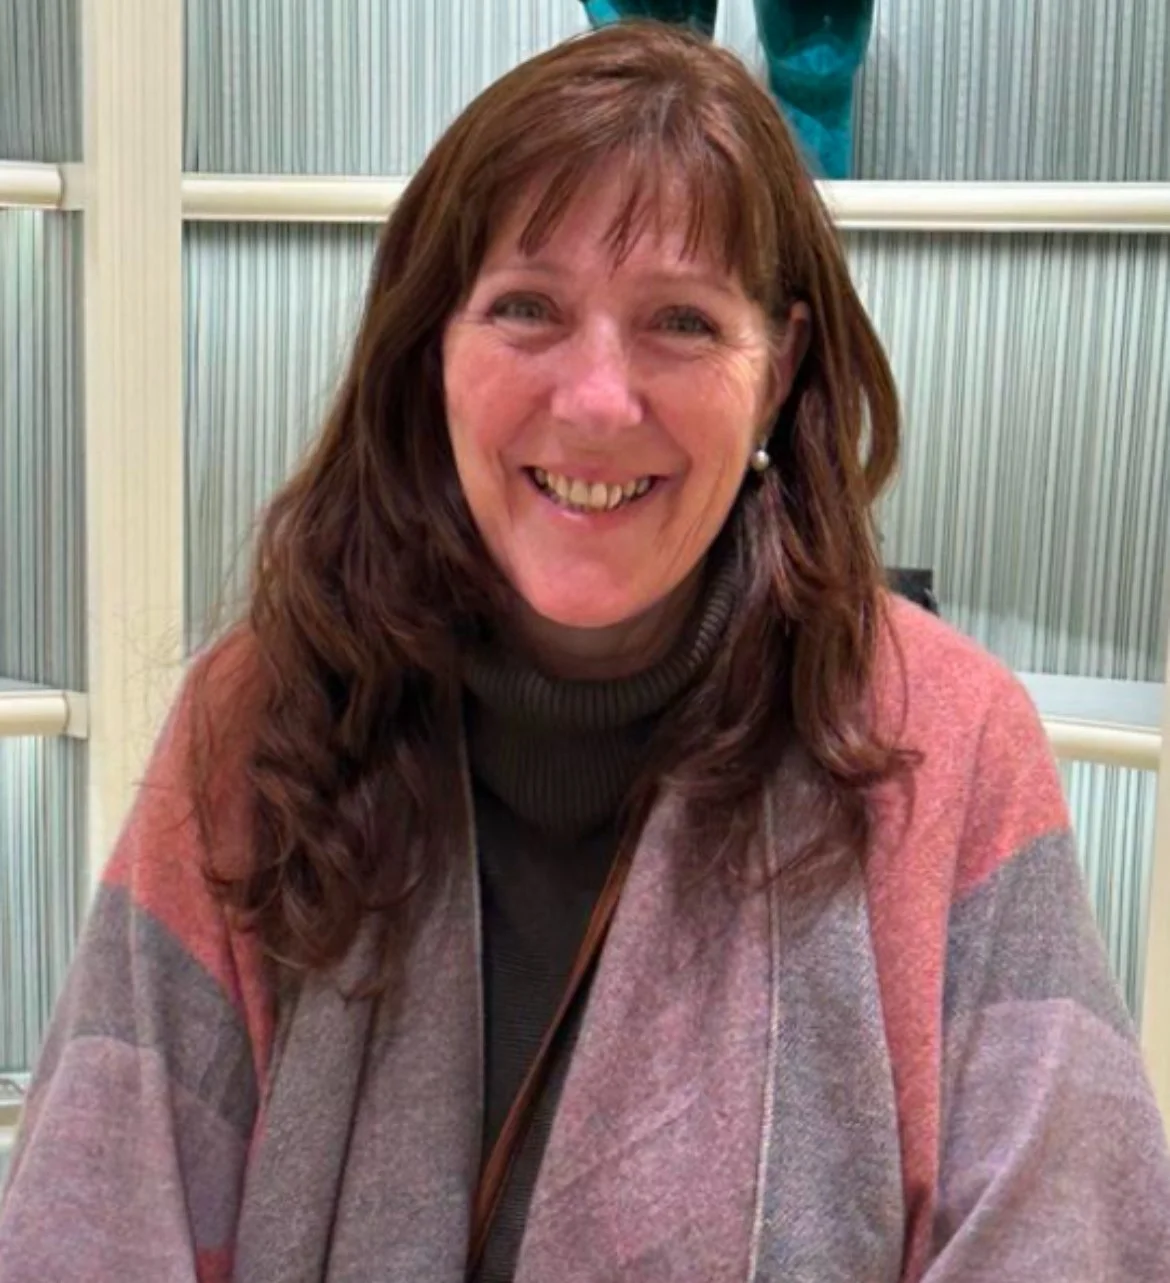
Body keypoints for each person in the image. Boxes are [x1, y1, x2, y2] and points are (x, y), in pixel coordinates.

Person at [1, 20, 1168, 1283]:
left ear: (777, 373)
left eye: (679, 319)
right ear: (427, 348)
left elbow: (1071, 1233)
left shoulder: (946, 743)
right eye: (526, 308)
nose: (599, 401)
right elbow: (95, 1209)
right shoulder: (261, 714)